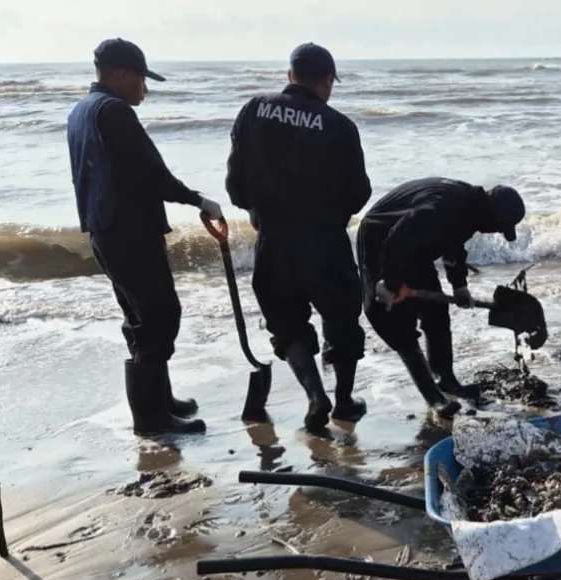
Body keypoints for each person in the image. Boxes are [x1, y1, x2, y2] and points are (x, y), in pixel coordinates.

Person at [66, 38, 223, 436]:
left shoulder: (80, 112)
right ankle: (151, 419)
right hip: (129, 231)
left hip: (104, 230)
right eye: (141, 78)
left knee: (139, 318)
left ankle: (159, 401)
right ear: (121, 75)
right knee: (160, 316)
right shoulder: (114, 112)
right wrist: (197, 200)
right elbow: (152, 173)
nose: (145, 89)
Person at [224, 42, 372, 432]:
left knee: (287, 322)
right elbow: (359, 193)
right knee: (341, 319)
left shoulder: (254, 109)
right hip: (325, 240)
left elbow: (235, 181)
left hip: (273, 239)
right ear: (326, 82)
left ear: (290, 76)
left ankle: (313, 395)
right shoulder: (340, 126)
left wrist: (253, 208)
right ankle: (343, 401)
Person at [360, 177, 527, 419]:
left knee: (435, 312)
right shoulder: (443, 207)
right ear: (492, 216)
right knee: (394, 321)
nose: (498, 232)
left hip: (412, 248)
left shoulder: (470, 209)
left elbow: (453, 244)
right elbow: (399, 237)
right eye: (500, 227)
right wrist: (390, 282)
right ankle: (434, 398)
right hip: (381, 240)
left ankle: (446, 380)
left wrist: (459, 285)